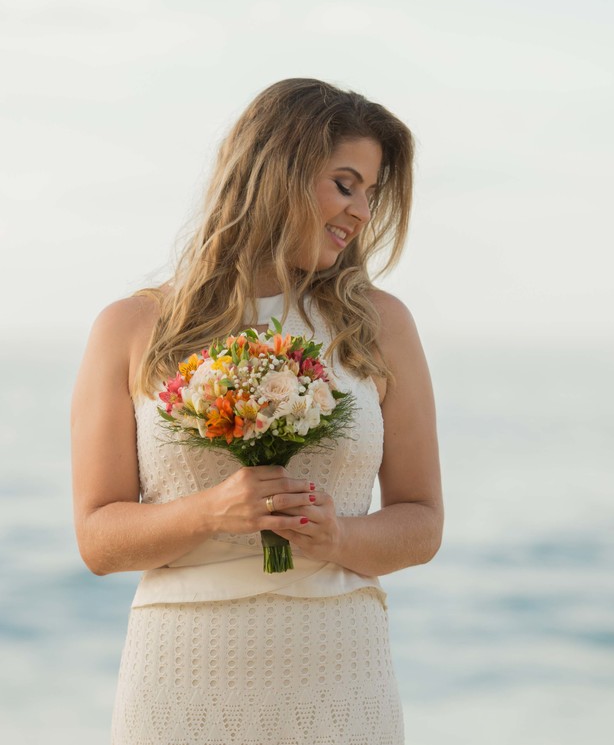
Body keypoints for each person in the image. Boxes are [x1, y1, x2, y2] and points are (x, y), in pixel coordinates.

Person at [70, 77, 443, 745]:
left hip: (337, 672)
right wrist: (212, 511)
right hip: (181, 677)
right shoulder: (132, 327)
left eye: (371, 192)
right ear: (280, 172)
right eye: (346, 183)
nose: (361, 211)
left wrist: (341, 539)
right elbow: (98, 539)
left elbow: (422, 521)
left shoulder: (380, 325)